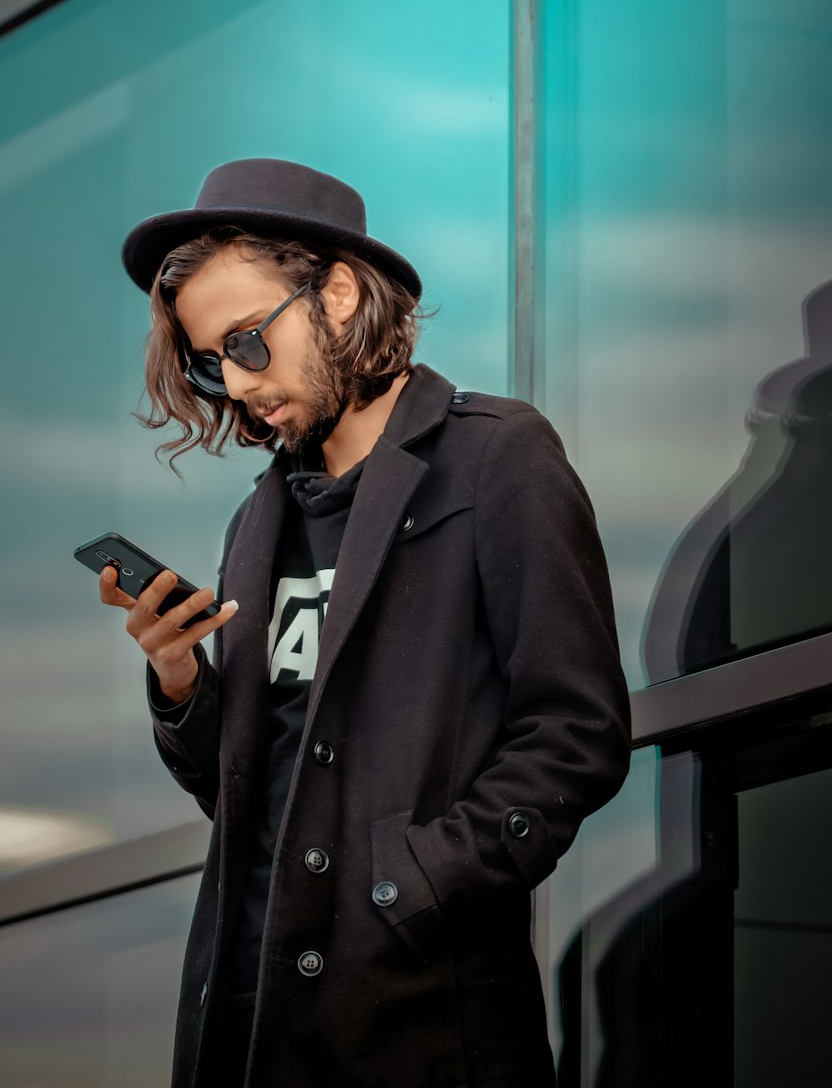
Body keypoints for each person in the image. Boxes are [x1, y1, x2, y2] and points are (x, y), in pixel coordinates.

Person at [99, 157, 631, 1088]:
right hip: (246, 1014)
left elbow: (576, 731)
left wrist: (416, 885)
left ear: (338, 295)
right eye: (212, 361)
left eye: (248, 342)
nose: (234, 382)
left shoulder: (494, 461)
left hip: (417, 1019)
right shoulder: (261, 520)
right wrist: (182, 681)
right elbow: (249, 790)